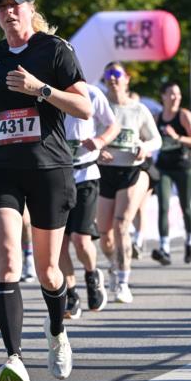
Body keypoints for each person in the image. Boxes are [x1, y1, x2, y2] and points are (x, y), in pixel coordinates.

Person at [0, 0, 91, 381]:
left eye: (15, 5)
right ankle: (14, 359)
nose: (8, 12)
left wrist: (41, 88)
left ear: (30, 9)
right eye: (1, 7)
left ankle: (57, 331)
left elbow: (84, 108)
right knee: (7, 260)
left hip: (47, 168)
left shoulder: (55, 50)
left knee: (49, 271)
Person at [97, 62, 161, 304]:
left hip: (132, 171)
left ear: (127, 79)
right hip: (104, 172)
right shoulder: (99, 108)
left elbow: (156, 140)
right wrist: (97, 150)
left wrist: (144, 146)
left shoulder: (138, 109)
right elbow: (86, 137)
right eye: (108, 74)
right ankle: (114, 264)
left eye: (117, 74)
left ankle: (123, 282)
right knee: (105, 234)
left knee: (122, 224)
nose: (112, 78)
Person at [60, 83, 121, 318]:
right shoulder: (45, 91)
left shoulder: (92, 93)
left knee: (80, 239)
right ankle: (71, 294)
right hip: (57, 176)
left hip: (86, 174)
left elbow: (113, 125)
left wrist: (100, 140)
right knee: (59, 243)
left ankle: (92, 275)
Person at [152, 82, 191, 265]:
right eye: (172, 94)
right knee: (163, 205)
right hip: (164, 167)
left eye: (178, 94)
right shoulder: (157, 118)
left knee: (185, 206)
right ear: (163, 96)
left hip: (184, 167)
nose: (176, 98)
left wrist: (177, 137)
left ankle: (189, 241)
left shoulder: (184, 115)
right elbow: (149, 138)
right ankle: (164, 248)